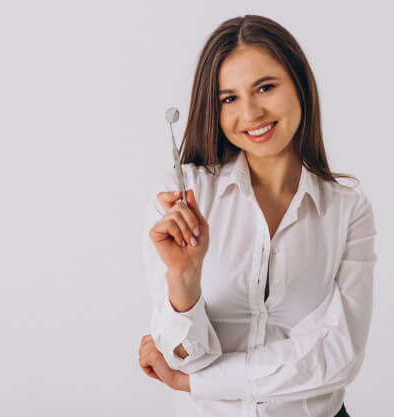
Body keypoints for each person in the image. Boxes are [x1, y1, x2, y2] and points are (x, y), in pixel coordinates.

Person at [138, 15, 376, 417]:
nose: (250, 113)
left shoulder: (347, 209)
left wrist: (198, 383)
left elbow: (340, 356)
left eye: (264, 87)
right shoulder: (182, 199)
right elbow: (179, 358)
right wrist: (184, 278)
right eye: (229, 98)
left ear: (299, 83)